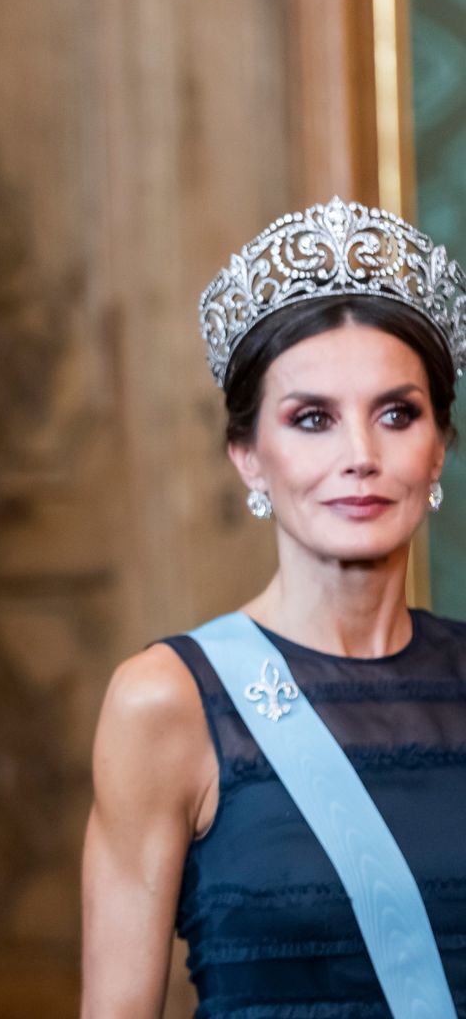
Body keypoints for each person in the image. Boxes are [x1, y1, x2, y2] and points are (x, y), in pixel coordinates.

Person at [81, 197, 466, 1016]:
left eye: (397, 414)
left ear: (439, 447)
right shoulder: (166, 702)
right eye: (312, 419)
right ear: (249, 456)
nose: (360, 456)